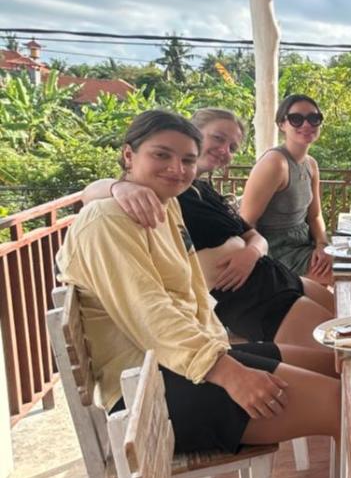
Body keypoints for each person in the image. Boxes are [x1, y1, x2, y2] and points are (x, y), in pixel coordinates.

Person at [57, 111, 341, 455]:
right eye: (161, 155)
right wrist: (232, 374)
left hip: (188, 361)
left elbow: (193, 291)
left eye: (188, 160)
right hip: (147, 390)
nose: (177, 169)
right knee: (346, 405)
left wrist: (224, 354)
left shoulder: (168, 206)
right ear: (129, 155)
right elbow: (150, 314)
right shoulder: (105, 221)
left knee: (343, 366)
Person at [81, 107, 335, 358]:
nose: (224, 150)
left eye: (232, 147)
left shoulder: (200, 189)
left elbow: (253, 235)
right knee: (338, 349)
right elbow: (91, 196)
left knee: (342, 316)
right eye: (218, 138)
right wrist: (118, 188)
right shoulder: (160, 191)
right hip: (248, 298)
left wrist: (251, 253)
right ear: (192, 134)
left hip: (271, 274)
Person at [239, 94, 333, 285]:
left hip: (304, 242)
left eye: (313, 118)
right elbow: (246, 221)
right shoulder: (275, 163)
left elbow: (315, 215)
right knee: (345, 275)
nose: (306, 125)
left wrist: (322, 245)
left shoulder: (311, 164)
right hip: (278, 249)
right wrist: (259, 268)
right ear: (282, 124)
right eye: (296, 119)